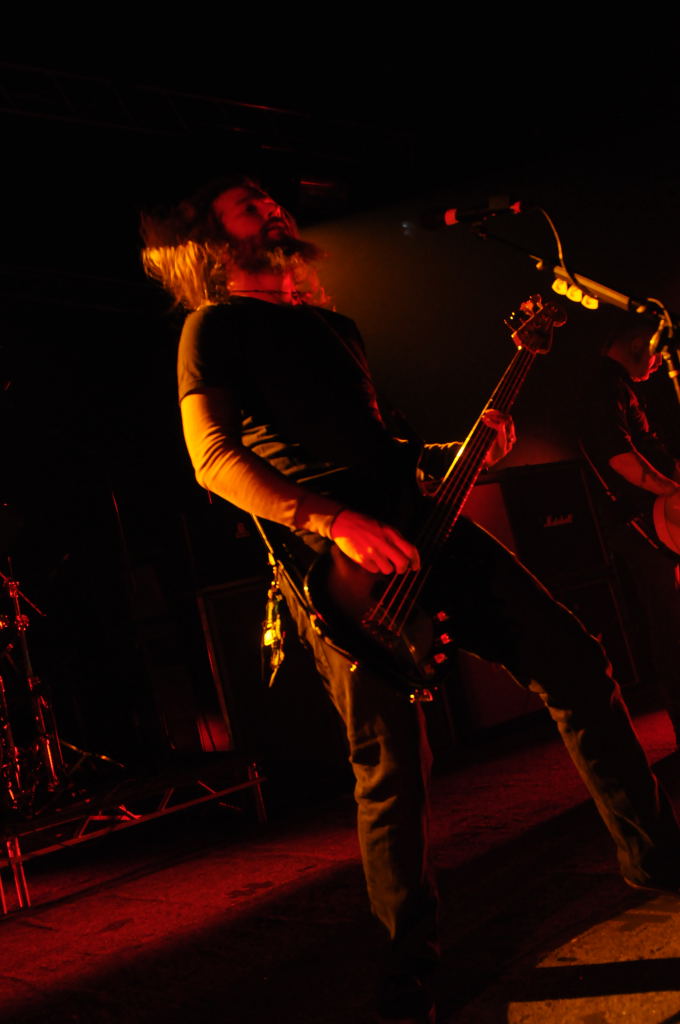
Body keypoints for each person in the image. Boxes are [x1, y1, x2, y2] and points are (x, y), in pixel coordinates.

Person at [141, 176, 680, 1024]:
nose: (275, 208)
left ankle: (656, 859)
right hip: (341, 561)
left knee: (575, 661)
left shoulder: (335, 326)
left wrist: (461, 449)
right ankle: (406, 975)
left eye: (273, 199)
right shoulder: (212, 328)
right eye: (250, 204)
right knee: (393, 769)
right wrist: (334, 521)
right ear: (214, 238)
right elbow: (211, 458)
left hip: (424, 527)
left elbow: (385, 449)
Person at [579, 323, 680, 746]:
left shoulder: (617, 385)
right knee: (671, 624)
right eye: (655, 355)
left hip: (654, 519)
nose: (657, 365)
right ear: (640, 343)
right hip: (643, 524)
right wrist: (672, 492)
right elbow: (617, 455)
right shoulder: (604, 385)